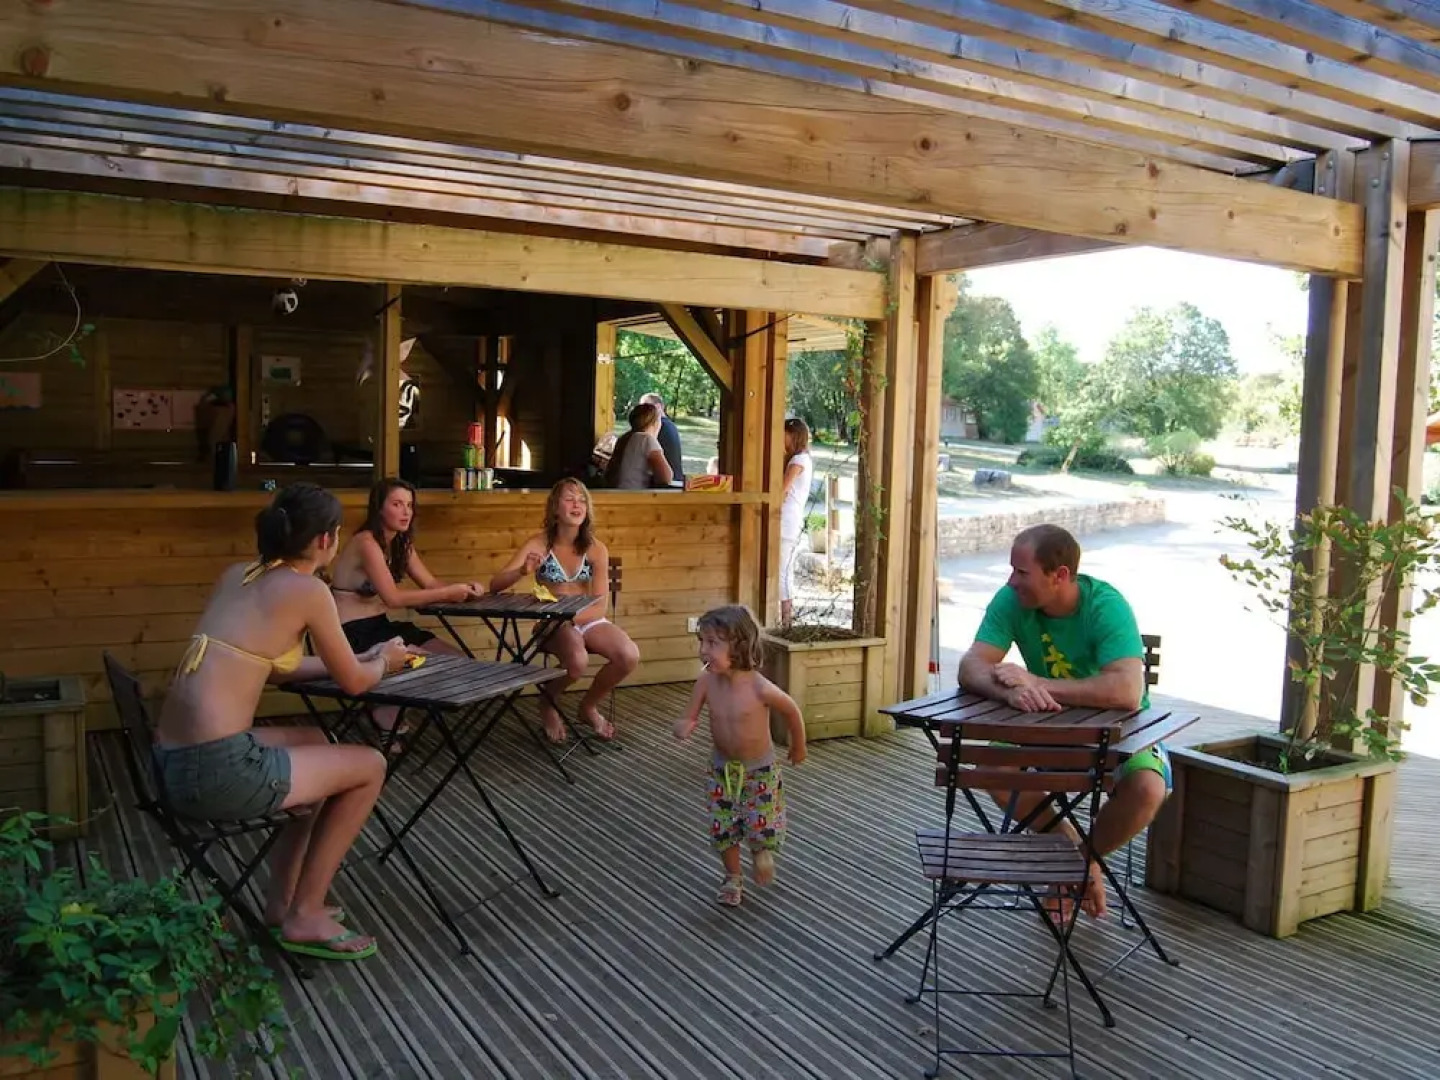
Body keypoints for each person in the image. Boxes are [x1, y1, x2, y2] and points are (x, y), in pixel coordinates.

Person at [153, 482, 414, 962]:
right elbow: (357, 684)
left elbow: (277, 665)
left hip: (173, 760)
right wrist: (386, 662)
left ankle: (282, 904)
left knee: (316, 739)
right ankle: (305, 912)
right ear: (326, 540)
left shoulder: (239, 575)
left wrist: (364, 656)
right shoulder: (309, 590)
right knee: (370, 765)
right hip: (213, 772)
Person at [956, 523, 1166, 920]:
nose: (1010, 580)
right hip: (1045, 732)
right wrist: (1009, 691)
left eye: (1022, 572)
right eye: (1011, 570)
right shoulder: (1011, 600)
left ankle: (1078, 865)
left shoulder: (1106, 605)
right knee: (989, 768)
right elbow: (971, 666)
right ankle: (1070, 853)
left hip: (1118, 732)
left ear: (1061, 576)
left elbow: (1126, 691)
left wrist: (1038, 683)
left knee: (1147, 790)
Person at [330, 478, 485, 734]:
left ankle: (386, 705)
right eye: (397, 504)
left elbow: (431, 583)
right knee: (428, 661)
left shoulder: (402, 543)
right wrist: (448, 593)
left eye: (410, 505)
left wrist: (466, 589)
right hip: (353, 633)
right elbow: (393, 598)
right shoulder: (367, 543)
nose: (406, 512)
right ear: (379, 508)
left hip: (382, 626)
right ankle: (383, 707)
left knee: (458, 660)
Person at [674, 605, 806, 907]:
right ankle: (732, 877)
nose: (703, 650)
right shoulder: (706, 681)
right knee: (724, 826)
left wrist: (799, 746)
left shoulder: (760, 688)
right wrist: (684, 725)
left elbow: (792, 711)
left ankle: (760, 851)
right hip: (721, 769)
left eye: (712, 643)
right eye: (702, 642)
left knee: (760, 822)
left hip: (759, 770)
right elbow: (690, 714)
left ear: (739, 646)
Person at [489, 479, 640, 742]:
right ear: (555, 509)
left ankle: (588, 706)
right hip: (550, 621)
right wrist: (522, 571)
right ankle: (547, 703)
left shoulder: (595, 548)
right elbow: (495, 585)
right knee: (577, 661)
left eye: (582, 499)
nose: (577, 504)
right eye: (569, 499)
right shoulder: (539, 544)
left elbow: (600, 604)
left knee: (629, 655)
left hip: (587, 618)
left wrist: (576, 623)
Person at [778, 418, 815, 626]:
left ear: (792, 435)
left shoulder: (797, 461)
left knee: (782, 571)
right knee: (784, 571)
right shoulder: (803, 459)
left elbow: (782, 491)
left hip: (786, 521)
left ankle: (786, 621)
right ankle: (785, 620)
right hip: (791, 521)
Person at [605, 402, 675, 489]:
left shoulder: (624, 438)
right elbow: (666, 478)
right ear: (655, 423)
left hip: (617, 494)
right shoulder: (646, 439)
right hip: (634, 497)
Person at [640, 391, 685, 483]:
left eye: (646, 407)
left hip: (667, 482)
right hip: (674, 479)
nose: (642, 412)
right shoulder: (670, 425)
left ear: (658, 407)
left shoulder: (658, 426)